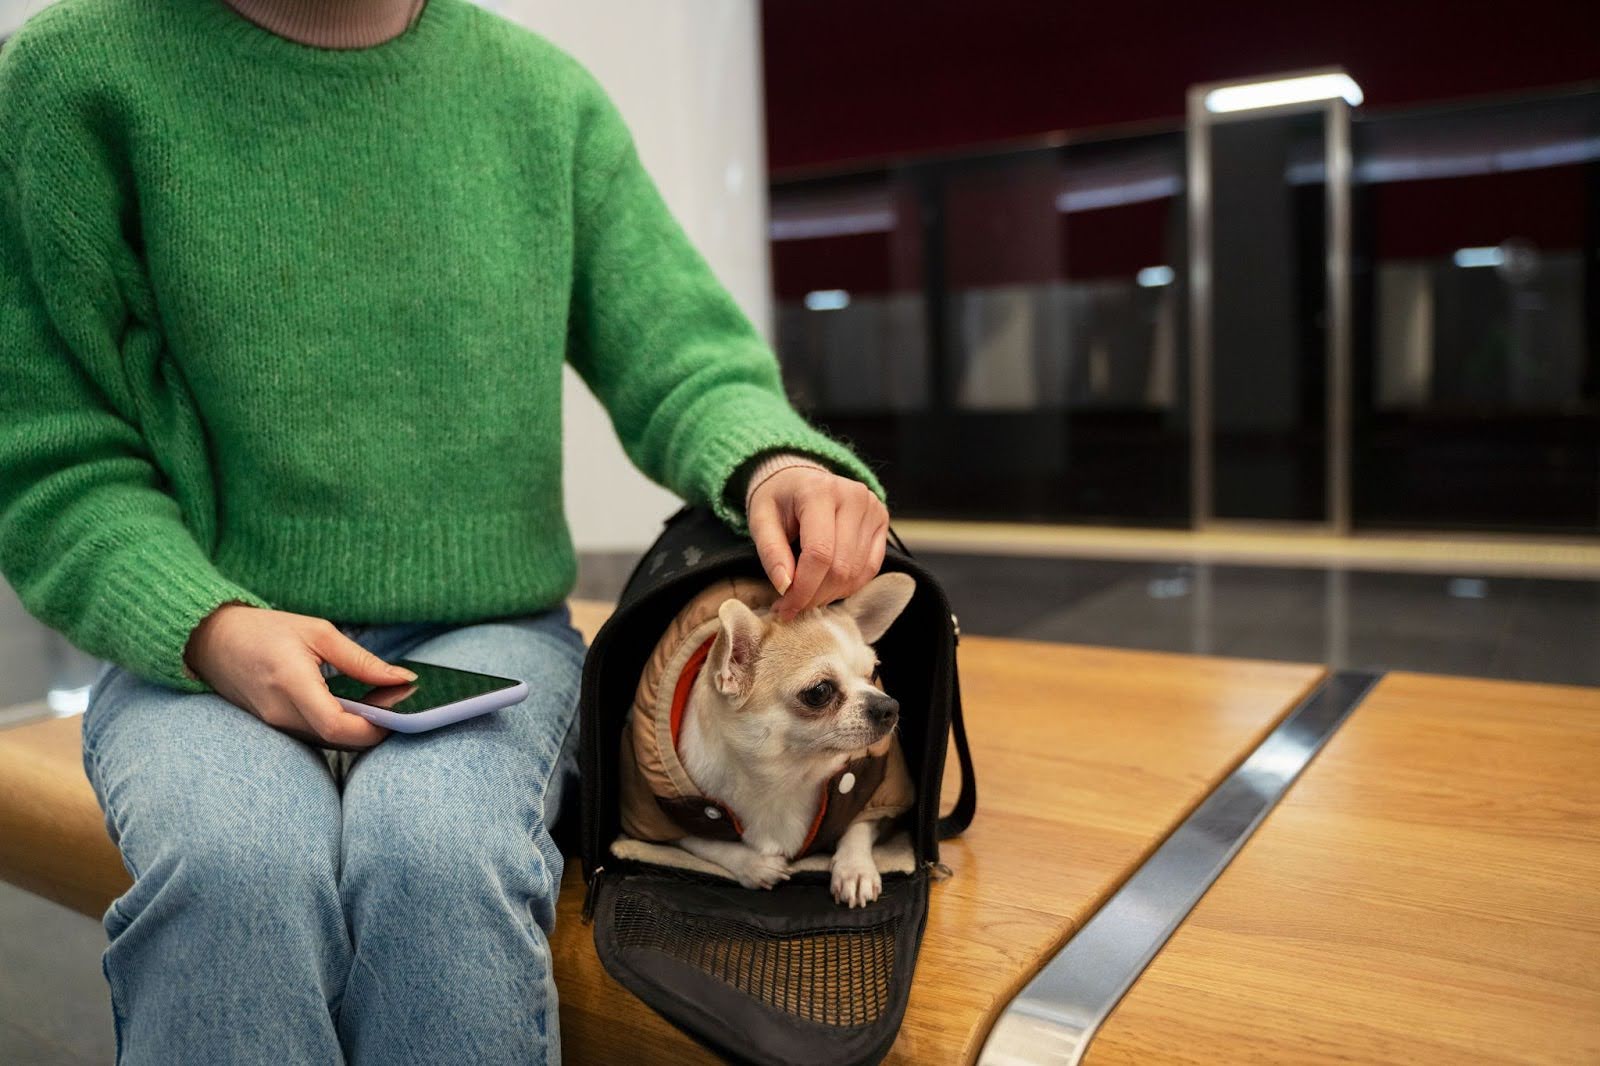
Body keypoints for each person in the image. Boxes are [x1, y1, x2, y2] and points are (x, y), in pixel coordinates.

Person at [0, 0, 891, 1062]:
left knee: (439, 856)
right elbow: (50, 445)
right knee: (233, 865)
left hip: (487, 635)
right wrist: (208, 625)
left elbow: (680, 352)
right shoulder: (72, 80)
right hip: (201, 639)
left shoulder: (541, 99)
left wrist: (773, 457)